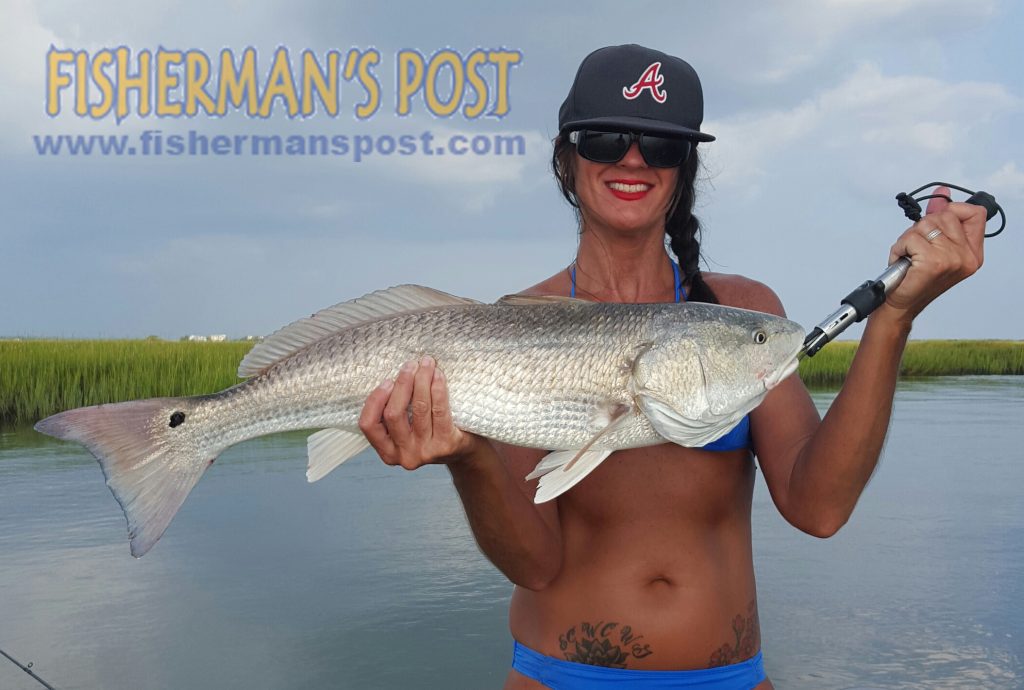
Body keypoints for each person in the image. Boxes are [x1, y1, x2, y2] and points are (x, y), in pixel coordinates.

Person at [358, 44, 986, 689]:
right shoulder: (522, 327)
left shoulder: (744, 315)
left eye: (662, 146)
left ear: (684, 169)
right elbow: (536, 564)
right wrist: (469, 459)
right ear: (566, 159)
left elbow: (818, 507)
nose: (633, 159)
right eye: (606, 138)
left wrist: (894, 318)